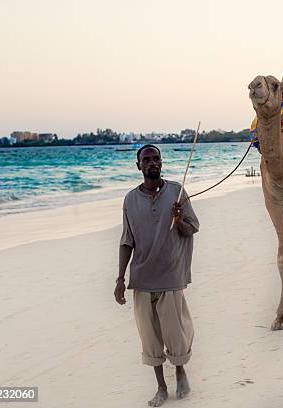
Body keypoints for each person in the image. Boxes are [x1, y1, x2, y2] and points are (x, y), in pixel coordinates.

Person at [115, 144, 199, 407]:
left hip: (170, 274)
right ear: (138, 166)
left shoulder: (176, 192)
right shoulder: (130, 199)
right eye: (147, 159)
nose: (152, 163)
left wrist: (179, 217)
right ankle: (161, 387)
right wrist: (120, 278)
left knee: (175, 332)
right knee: (150, 337)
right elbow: (127, 240)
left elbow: (191, 229)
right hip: (141, 277)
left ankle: (181, 371)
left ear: (162, 163)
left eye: (156, 158)